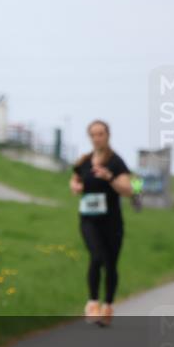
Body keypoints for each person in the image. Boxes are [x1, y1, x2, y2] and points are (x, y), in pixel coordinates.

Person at [68, 120, 134, 327]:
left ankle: (108, 305)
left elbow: (130, 190)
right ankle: (92, 303)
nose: (97, 138)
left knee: (111, 264)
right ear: (90, 137)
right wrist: (76, 187)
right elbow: (74, 180)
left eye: (101, 134)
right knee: (97, 256)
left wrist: (109, 177)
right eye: (93, 134)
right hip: (89, 219)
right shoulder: (84, 161)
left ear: (108, 135)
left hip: (112, 221)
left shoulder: (116, 162)